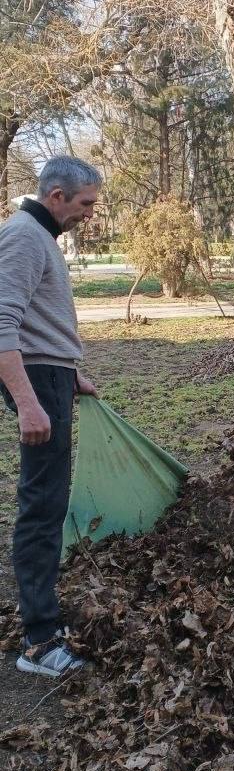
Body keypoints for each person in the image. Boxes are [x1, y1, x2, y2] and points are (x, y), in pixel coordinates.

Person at [0, 156, 103, 678]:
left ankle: (44, 623)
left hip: (50, 376)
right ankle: (40, 642)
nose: (89, 214)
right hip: (35, 381)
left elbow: (37, 321)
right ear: (56, 195)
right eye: (85, 204)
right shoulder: (22, 236)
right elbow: (1, 323)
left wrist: (67, 374)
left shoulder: (40, 238)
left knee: (50, 501)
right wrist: (29, 401)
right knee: (42, 507)